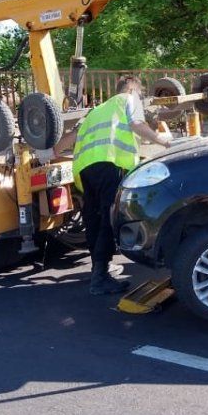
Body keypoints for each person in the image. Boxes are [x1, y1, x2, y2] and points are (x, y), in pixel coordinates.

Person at [71, 75, 173, 295]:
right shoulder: (129, 99)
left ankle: (99, 270)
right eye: (140, 93)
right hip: (111, 163)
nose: (140, 97)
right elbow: (137, 124)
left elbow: (73, 136)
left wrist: (50, 152)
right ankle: (100, 279)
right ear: (132, 89)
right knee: (108, 219)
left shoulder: (97, 110)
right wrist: (164, 142)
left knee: (93, 218)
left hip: (85, 169)